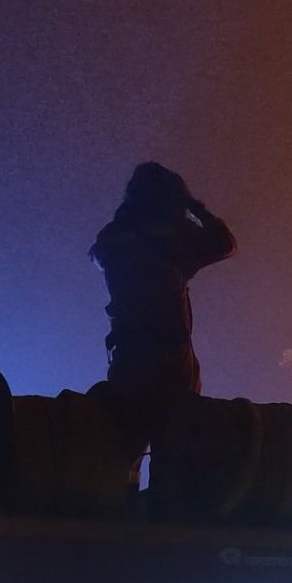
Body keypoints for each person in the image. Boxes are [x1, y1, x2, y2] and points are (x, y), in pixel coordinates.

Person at [89, 162, 236, 453]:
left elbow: (98, 252)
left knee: (121, 449)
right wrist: (194, 206)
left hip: (127, 357)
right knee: (177, 453)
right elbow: (224, 243)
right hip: (170, 361)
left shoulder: (114, 239)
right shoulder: (173, 240)